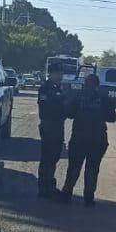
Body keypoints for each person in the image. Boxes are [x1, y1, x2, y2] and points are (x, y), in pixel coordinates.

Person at [58, 73, 116, 206]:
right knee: (92, 169)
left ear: (85, 84)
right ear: (98, 85)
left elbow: (69, 113)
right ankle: (88, 198)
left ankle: (67, 194)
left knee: (74, 167)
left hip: (79, 137)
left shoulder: (78, 96)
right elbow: (112, 117)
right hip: (98, 139)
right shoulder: (103, 98)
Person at [37, 63, 67, 197]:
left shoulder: (59, 88)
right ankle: (44, 187)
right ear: (51, 74)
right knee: (47, 157)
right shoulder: (45, 88)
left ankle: (50, 184)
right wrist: (61, 104)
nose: (61, 76)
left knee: (54, 156)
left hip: (58, 126)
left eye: (61, 73)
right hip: (49, 126)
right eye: (58, 73)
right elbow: (44, 108)